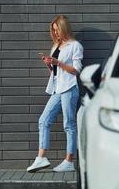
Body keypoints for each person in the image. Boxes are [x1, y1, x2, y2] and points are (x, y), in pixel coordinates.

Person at [27, 15, 83, 173]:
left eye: (57, 30)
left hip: (70, 88)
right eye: (53, 31)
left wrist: (58, 62)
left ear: (64, 28)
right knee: (44, 120)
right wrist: (50, 65)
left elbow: (76, 70)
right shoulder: (56, 46)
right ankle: (41, 158)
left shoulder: (75, 46)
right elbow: (57, 72)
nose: (56, 34)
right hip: (57, 88)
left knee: (69, 124)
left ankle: (69, 161)